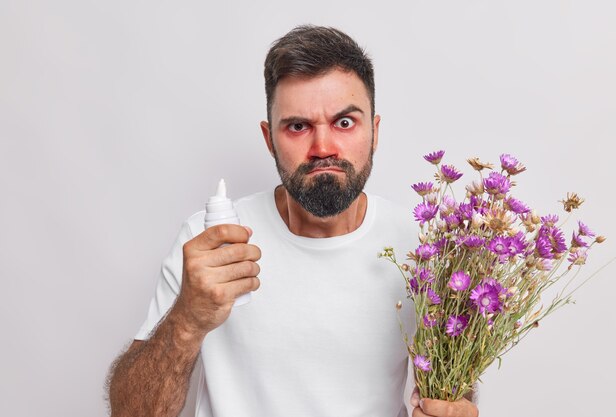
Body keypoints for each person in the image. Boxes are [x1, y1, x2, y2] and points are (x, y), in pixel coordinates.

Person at [107, 25, 479, 417]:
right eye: (298, 126)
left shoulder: (424, 249)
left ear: (375, 132)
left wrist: (452, 408)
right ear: (269, 139)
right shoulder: (210, 244)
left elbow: (453, 392)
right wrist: (186, 320)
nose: (323, 148)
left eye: (345, 122)